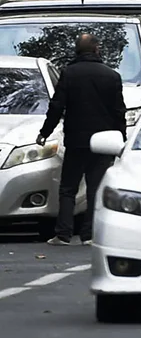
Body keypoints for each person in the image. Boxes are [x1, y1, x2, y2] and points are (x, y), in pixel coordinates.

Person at [36, 34, 125, 246]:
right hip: (103, 141)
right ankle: (90, 234)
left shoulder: (69, 74)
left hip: (76, 139)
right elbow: (119, 111)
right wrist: (121, 138)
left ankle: (63, 233)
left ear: (77, 50)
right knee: (96, 188)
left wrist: (45, 132)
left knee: (68, 188)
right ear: (96, 49)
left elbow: (57, 106)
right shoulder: (112, 76)